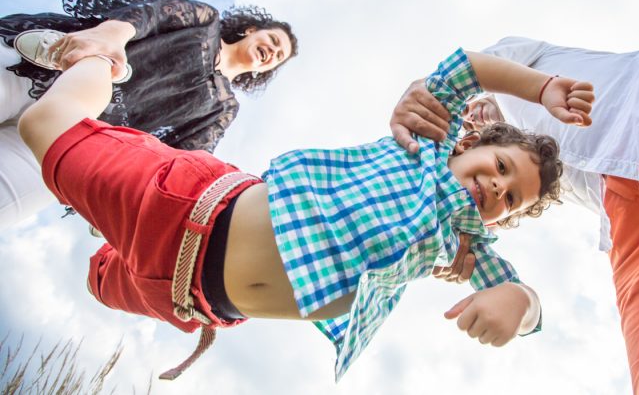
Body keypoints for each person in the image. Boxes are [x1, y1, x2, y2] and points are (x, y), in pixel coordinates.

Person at [15, 35, 595, 381]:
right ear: (473, 144)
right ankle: (102, 60)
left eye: (510, 198)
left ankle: (106, 254)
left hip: (179, 297)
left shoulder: (462, 246)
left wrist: (516, 301)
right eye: (500, 168)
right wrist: (541, 89)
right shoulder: (425, 143)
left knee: (94, 279)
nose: (497, 188)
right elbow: (467, 67)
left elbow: (528, 306)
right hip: (186, 207)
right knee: (43, 127)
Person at [390, 36, 639, 394]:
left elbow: (466, 70)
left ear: (470, 140)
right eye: (511, 199)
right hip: (633, 220)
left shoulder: (523, 66)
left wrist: (426, 93)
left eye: (501, 167)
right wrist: (510, 297)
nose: (500, 187)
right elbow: (522, 299)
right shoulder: (479, 216)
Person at [1, 0, 298, 226]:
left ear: (265, 71)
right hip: (48, 69)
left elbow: (185, 154)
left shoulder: (224, 109)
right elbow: (147, 15)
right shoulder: (206, 21)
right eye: (272, 39)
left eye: (278, 56)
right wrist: (107, 38)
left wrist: (135, 196)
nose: (272, 51)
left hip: (73, 138)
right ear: (251, 31)